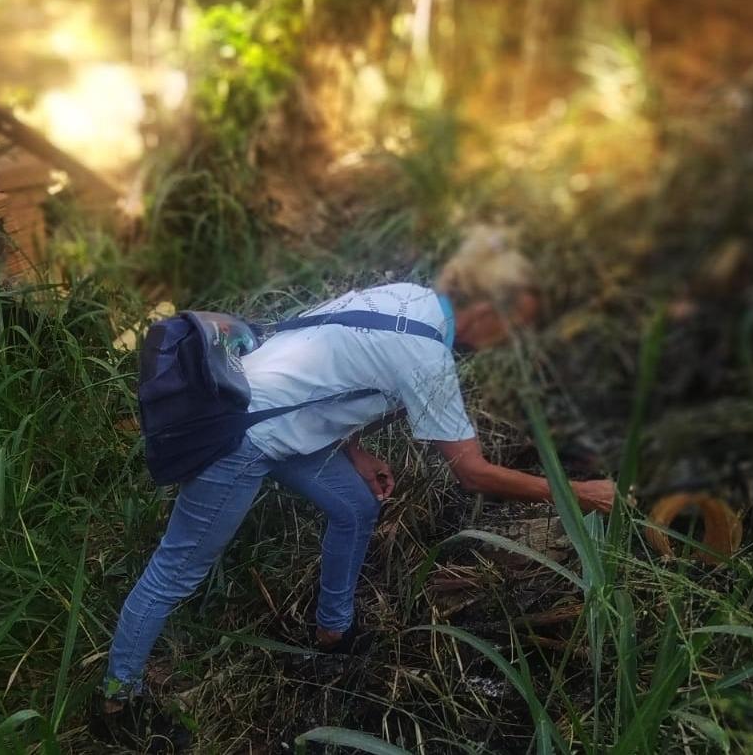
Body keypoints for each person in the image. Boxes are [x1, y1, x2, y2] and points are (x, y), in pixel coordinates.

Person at [91, 233, 616, 744]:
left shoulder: (408, 299)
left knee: (356, 506)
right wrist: (578, 495)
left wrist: (355, 450)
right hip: (242, 439)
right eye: (514, 324)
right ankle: (117, 701)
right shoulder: (427, 355)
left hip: (267, 412)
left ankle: (333, 631)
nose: (513, 337)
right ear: (485, 309)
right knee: (175, 574)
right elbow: (472, 472)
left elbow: (331, 365)